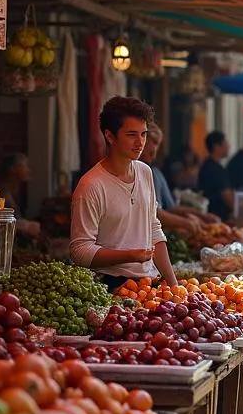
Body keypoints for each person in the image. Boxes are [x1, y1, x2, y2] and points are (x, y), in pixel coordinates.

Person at [69, 97, 176, 290]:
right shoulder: (91, 185)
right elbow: (80, 251)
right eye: (131, 135)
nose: (140, 142)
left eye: (143, 134)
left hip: (149, 284)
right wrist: (129, 255)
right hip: (109, 287)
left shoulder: (145, 172)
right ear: (110, 136)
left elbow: (153, 230)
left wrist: (174, 286)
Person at [139, 124, 207, 236]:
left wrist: (196, 215)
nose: (155, 149)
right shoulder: (141, 173)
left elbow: (169, 207)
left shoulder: (154, 172)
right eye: (153, 143)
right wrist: (186, 222)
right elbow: (156, 214)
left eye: (158, 144)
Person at [0, 153, 42, 240]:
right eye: (25, 166)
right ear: (12, 169)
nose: (29, 171)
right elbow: (1, 224)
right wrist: (27, 226)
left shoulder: (14, 191)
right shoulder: (2, 194)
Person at [198, 131, 234, 221]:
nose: (228, 146)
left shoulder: (207, 165)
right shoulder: (216, 169)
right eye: (225, 143)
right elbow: (226, 196)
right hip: (217, 218)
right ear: (216, 146)